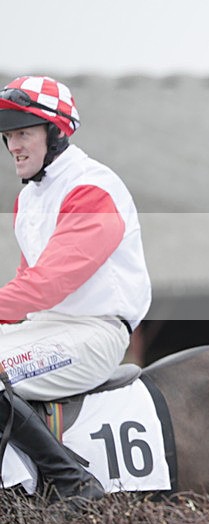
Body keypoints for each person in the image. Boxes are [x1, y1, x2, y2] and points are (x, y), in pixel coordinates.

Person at [0, 75, 151, 502]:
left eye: (23, 133)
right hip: (47, 329)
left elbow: (46, 286)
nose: (13, 145)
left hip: (94, 335)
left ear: (55, 133)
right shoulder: (28, 199)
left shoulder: (91, 187)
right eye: (8, 135)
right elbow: (27, 284)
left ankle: (72, 481)